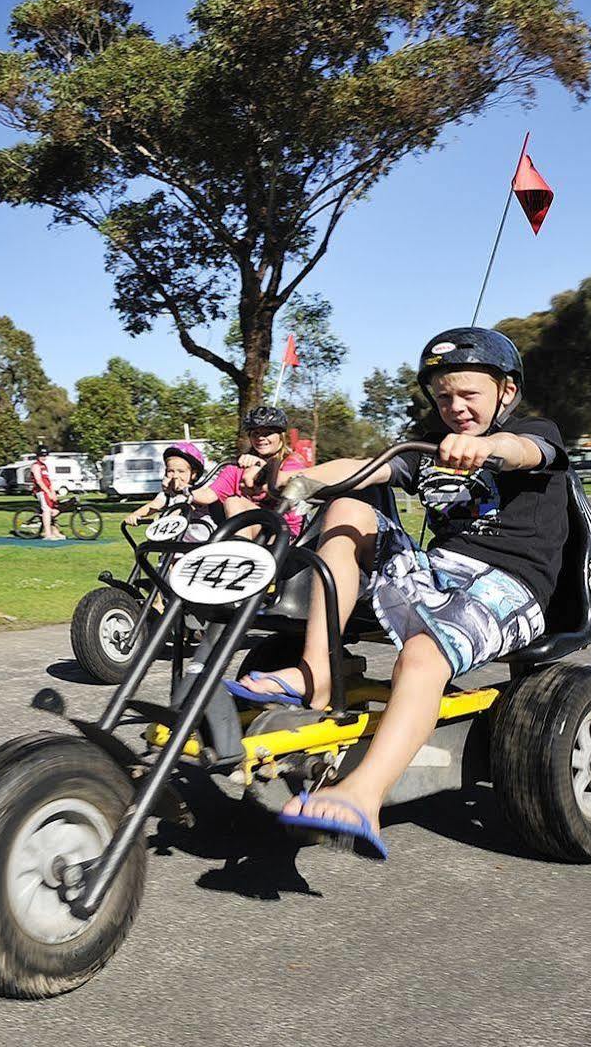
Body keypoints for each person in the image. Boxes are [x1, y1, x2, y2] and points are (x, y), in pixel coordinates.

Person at [228, 327, 568, 859]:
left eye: (469, 395)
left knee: (423, 654)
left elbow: (524, 451)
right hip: (439, 573)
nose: (455, 407)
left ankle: (363, 795)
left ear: (505, 390)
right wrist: (300, 480)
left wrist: (483, 449)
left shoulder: (534, 431)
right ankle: (318, 671)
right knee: (349, 505)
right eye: (444, 396)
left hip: (510, 589)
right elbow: (369, 468)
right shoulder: (431, 446)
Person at [206, 405, 311, 537]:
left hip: (284, 533)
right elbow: (208, 494)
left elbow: (280, 487)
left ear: (281, 436)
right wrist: (185, 491)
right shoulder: (239, 466)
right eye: (255, 433)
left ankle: (240, 552)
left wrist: (261, 466)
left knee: (234, 501)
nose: (260, 438)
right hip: (259, 529)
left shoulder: (292, 464)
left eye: (267, 433)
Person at [124, 442, 208, 529]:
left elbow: (185, 508)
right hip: (178, 540)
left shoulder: (197, 493)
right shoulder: (168, 495)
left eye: (181, 471)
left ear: (193, 474)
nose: (175, 476)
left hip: (202, 540)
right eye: (171, 471)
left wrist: (165, 517)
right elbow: (153, 505)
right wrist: (136, 515)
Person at [31, 447, 63, 540]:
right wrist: (47, 492)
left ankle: (55, 531)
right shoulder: (35, 466)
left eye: (45, 455)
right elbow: (39, 481)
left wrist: (53, 492)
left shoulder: (44, 466)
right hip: (40, 491)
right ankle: (48, 534)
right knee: (47, 510)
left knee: (54, 510)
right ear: (37, 455)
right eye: (41, 455)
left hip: (47, 490)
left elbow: (48, 481)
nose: (43, 457)